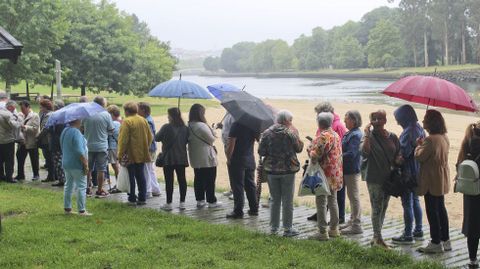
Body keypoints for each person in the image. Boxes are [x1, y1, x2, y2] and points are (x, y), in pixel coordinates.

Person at [258, 110, 303, 237]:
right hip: (288, 170)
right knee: (287, 200)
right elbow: (299, 149)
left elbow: (261, 151)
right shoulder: (290, 133)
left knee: (274, 199)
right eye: (290, 120)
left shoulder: (267, 133)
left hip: (272, 170)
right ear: (285, 120)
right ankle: (288, 229)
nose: (291, 123)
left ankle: (273, 228)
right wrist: (297, 134)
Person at [362, 110, 400, 248]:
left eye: (380, 118)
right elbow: (364, 152)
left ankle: (376, 237)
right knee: (376, 208)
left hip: (388, 178)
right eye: (374, 119)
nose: (377, 121)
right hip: (374, 177)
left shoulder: (393, 136)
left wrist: (398, 159)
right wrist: (366, 133)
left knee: (384, 207)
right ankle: (378, 238)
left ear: (385, 120)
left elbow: (398, 153)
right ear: (371, 121)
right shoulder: (369, 137)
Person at [415, 109, 451, 254]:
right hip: (441, 176)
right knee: (441, 209)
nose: (423, 121)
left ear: (431, 122)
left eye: (425, 119)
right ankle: (446, 240)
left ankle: (435, 241)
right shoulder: (444, 137)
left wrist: (418, 145)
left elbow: (420, 157)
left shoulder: (430, 139)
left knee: (432, 210)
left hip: (430, 178)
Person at [308, 102, 347, 222]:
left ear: (319, 122)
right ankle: (334, 229)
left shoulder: (325, 135)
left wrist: (310, 150)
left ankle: (322, 231)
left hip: (325, 173)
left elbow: (316, 155)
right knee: (333, 200)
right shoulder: (334, 134)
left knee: (321, 201)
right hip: (335, 172)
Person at [391, 105, 425, 244]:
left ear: (404, 117)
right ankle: (418, 230)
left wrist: (394, 159)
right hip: (418, 171)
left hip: (408, 172)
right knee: (415, 200)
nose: (397, 122)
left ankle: (407, 234)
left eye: (398, 119)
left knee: (407, 203)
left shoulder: (408, 132)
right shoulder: (420, 128)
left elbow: (403, 154)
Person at [117, 102, 152, 206]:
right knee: (141, 176)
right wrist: (145, 147)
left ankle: (132, 198)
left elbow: (123, 140)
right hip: (142, 153)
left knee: (130, 177)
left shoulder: (127, 121)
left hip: (130, 154)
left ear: (127, 111)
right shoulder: (143, 120)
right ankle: (142, 198)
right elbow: (150, 137)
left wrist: (120, 153)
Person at [456, 122, 480, 268]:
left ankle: (472, 259)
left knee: (472, 226)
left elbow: (459, 165)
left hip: (471, 191)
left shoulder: (467, 141)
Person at [155, 107, 189, 211]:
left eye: (168, 114)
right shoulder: (185, 128)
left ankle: (169, 203)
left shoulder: (166, 127)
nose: (167, 116)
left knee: (169, 181)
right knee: (182, 180)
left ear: (171, 116)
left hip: (168, 158)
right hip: (181, 158)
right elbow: (187, 141)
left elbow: (156, 138)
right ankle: (182, 203)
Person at [188, 104, 220, 208]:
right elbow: (211, 139)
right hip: (206, 157)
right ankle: (211, 201)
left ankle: (200, 200)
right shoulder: (201, 125)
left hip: (195, 157)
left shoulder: (189, 125)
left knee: (198, 178)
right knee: (210, 179)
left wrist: (211, 128)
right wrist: (212, 129)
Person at [225, 119, 259, 219]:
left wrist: (228, 158)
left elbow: (231, 143)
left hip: (237, 159)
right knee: (250, 184)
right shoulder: (254, 123)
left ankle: (238, 211)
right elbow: (258, 139)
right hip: (250, 158)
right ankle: (254, 209)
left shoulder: (236, 124)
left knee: (237, 185)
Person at [82, 96, 114, 198]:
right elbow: (111, 129)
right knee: (101, 169)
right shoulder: (106, 115)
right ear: (103, 104)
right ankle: (99, 190)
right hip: (101, 146)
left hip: (88, 145)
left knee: (88, 168)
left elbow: (81, 127)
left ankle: (87, 189)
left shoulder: (86, 114)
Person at [339, 110, 363, 235]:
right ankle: (352, 220)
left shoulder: (356, 135)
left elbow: (352, 154)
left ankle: (356, 224)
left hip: (351, 169)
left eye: (346, 119)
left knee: (354, 196)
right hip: (347, 169)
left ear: (353, 120)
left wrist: (337, 156)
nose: (344, 121)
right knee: (351, 195)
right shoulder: (351, 133)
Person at [61, 119, 91, 216]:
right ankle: (82, 210)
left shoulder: (65, 130)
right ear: (77, 120)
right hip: (76, 164)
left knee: (68, 186)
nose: (81, 121)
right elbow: (79, 150)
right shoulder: (76, 132)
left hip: (66, 162)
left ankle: (67, 208)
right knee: (81, 186)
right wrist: (85, 164)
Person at [138, 102, 161, 197]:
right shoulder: (148, 119)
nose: (137, 111)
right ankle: (155, 189)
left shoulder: (147, 121)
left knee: (146, 169)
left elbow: (150, 136)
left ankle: (148, 191)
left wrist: (145, 148)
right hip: (151, 148)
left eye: (138, 109)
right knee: (150, 169)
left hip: (148, 149)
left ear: (143, 110)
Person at [15, 100, 40, 181]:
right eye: (21, 108)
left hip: (31, 141)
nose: (22, 110)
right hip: (22, 141)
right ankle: (20, 174)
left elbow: (35, 129)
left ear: (28, 107)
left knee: (34, 158)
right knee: (19, 156)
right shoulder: (20, 115)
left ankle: (36, 175)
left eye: (23, 108)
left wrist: (25, 127)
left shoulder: (35, 116)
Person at [0, 101, 22, 183]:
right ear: (10, 107)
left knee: (0, 159)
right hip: (7, 140)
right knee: (9, 160)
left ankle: (1, 176)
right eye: (13, 108)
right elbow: (15, 125)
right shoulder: (8, 114)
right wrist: (20, 121)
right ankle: (9, 178)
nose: (14, 110)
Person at [37, 99, 55, 182]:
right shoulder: (47, 114)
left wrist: (38, 137)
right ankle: (53, 175)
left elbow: (45, 129)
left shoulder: (48, 115)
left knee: (49, 159)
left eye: (41, 107)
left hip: (47, 141)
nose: (40, 109)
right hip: (47, 140)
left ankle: (51, 176)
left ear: (45, 107)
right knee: (49, 159)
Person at [50, 100, 66, 187]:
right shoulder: (63, 117)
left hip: (58, 143)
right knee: (59, 161)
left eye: (54, 107)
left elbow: (52, 130)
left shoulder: (58, 117)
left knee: (58, 162)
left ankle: (62, 180)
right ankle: (62, 179)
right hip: (61, 142)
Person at [106, 105, 121, 193]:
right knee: (115, 165)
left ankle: (119, 184)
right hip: (116, 146)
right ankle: (118, 183)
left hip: (112, 147)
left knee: (115, 165)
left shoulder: (113, 123)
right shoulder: (118, 122)